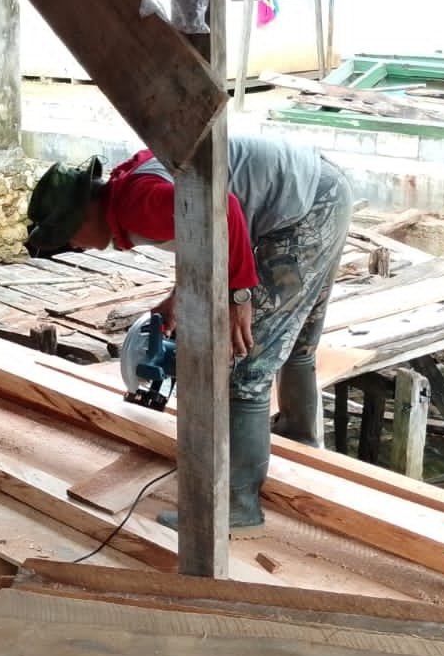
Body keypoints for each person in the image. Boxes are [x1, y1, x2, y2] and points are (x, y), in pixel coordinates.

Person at [24, 134, 352, 536]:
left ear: (86, 214)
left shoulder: (135, 205)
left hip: (298, 212)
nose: (78, 248)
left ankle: (236, 505)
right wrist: (178, 296)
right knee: (296, 342)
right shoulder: (129, 187)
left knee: (245, 362)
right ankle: (299, 445)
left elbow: (224, 210)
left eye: (71, 239)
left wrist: (239, 295)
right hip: (320, 188)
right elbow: (198, 228)